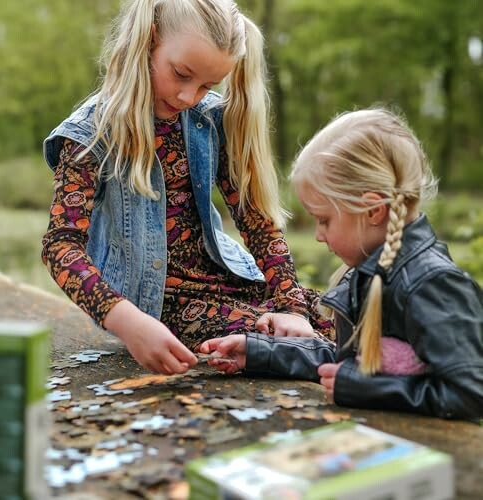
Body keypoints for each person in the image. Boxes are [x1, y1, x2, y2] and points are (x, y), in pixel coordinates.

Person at [41, 0, 334, 376]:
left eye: (207, 85)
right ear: (147, 42)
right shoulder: (90, 134)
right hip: (161, 305)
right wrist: (128, 322)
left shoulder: (208, 120)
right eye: (181, 74)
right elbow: (59, 246)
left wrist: (291, 305)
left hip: (232, 282)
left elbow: (256, 222)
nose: (189, 97)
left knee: (343, 320)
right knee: (298, 348)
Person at [200, 108, 483, 419]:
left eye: (324, 220)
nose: (319, 236)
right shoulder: (368, 270)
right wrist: (259, 353)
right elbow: (345, 360)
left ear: (373, 210)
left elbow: (470, 393)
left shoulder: (432, 285)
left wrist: (368, 390)